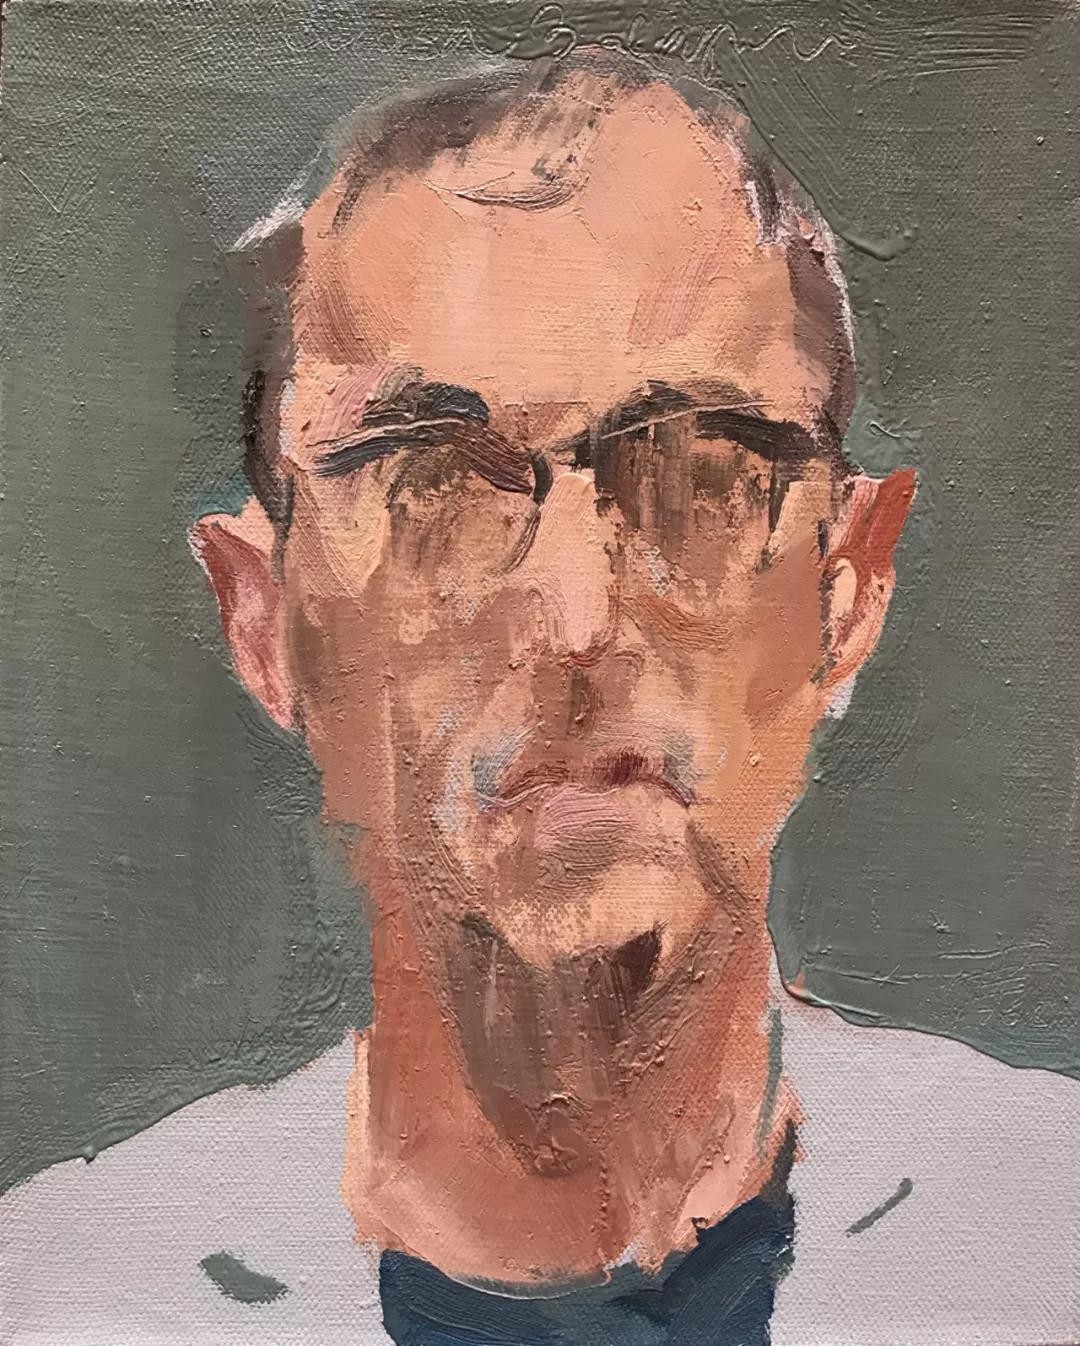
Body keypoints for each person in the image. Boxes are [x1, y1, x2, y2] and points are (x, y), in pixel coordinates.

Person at [3, 51, 1077, 1346]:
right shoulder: (53, 1298)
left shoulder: (1050, 1247)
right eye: (431, 483)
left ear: (846, 588)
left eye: (697, 472)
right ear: (265, 618)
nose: (577, 622)